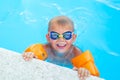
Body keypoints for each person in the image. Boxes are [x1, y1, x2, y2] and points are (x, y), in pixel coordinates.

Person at [23, 16, 90, 80]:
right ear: (48, 38)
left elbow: (88, 72)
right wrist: (30, 55)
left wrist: (83, 70)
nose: (61, 39)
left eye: (67, 35)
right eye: (55, 35)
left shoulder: (76, 53)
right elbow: (28, 62)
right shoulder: (45, 49)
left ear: (73, 38)